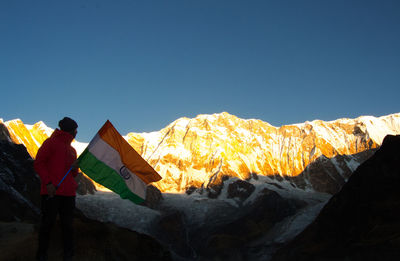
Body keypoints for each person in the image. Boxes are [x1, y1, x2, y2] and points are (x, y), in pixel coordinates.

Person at [34, 117, 79, 261]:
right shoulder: (51, 143)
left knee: (68, 225)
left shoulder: (72, 150)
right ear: (70, 130)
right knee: (48, 223)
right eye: (75, 129)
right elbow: (39, 163)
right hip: (52, 191)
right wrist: (48, 183)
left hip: (68, 193)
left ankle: (68, 253)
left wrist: (75, 168)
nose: (76, 132)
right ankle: (42, 254)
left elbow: (73, 174)